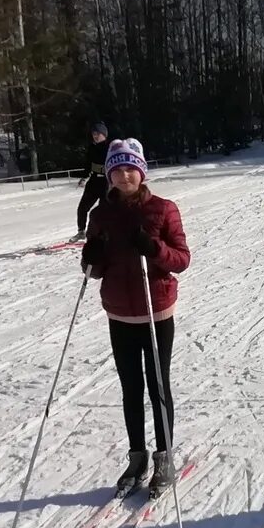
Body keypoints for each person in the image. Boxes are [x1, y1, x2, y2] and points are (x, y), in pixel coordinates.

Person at [81, 138, 192, 496]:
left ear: (141, 172)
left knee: (158, 385)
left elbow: (181, 259)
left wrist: (153, 247)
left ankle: (165, 455)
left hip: (155, 309)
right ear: (109, 175)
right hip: (119, 312)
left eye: (131, 168)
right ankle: (137, 456)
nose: (124, 174)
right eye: (118, 169)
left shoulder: (163, 209)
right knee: (131, 389)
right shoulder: (100, 215)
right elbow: (93, 271)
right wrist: (92, 254)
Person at [76, 122, 110, 238]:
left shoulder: (110, 147)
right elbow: (88, 164)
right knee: (82, 207)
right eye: (93, 134)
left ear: (104, 134)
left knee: (103, 209)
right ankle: (81, 231)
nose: (95, 136)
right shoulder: (92, 148)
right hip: (94, 181)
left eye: (98, 134)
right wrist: (84, 177)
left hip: (106, 182)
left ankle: (105, 232)